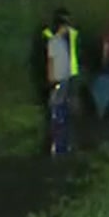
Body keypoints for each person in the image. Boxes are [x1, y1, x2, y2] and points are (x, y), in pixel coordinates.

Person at [45, 11, 78, 156]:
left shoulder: (64, 42)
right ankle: (56, 144)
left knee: (64, 110)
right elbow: (51, 61)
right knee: (56, 110)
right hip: (57, 79)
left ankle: (64, 143)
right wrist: (51, 77)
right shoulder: (53, 42)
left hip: (65, 79)